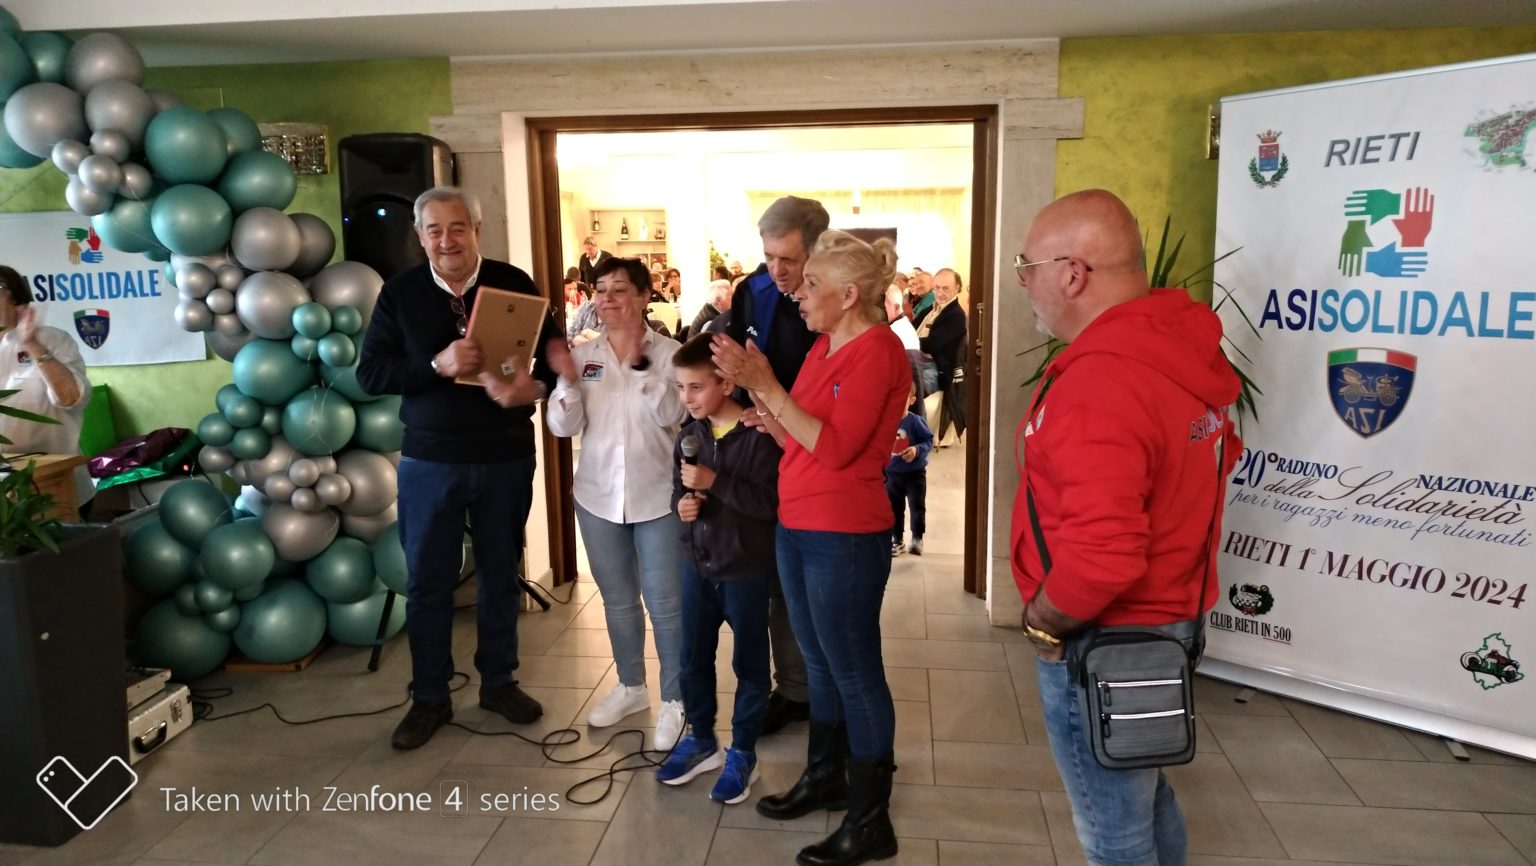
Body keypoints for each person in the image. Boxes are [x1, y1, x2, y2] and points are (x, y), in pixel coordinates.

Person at [1011, 189, 1241, 866]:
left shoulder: (1103, 380)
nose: (1023, 282)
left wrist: (1044, 623)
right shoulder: (1173, 347)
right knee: (1142, 794)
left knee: (1112, 831)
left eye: (1027, 267)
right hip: (1164, 622)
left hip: (1104, 638)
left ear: (1073, 274)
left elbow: (1103, 557)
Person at [713, 230, 910, 866]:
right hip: (797, 520)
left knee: (854, 670)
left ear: (849, 295)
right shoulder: (826, 345)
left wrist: (768, 386)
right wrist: (764, 409)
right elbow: (803, 434)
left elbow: (838, 449)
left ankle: (871, 821)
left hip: (844, 531)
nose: (798, 294)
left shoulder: (878, 351)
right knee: (819, 664)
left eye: (812, 285)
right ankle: (826, 776)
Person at [357, 186, 552, 750]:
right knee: (428, 582)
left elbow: (553, 357)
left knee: (500, 574)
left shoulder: (514, 284)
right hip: (430, 460)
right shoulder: (399, 293)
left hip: (505, 455)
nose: (447, 240)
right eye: (435, 230)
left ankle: (499, 683)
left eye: (458, 227)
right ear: (420, 236)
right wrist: (435, 364)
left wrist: (535, 388)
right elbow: (372, 374)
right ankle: (429, 697)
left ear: (477, 230)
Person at [544, 256, 689, 751]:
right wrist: (566, 381)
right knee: (619, 601)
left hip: (659, 496)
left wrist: (639, 363)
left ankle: (676, 698)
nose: (607, 299)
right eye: (600, 290)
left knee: (666, 605)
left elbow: (672, 413)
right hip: (598, 495)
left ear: (645, 296)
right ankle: (631, 686)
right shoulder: (584, 356)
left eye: (620, 289)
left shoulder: (671, 354)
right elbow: (562, 426)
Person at [654, 333, 780, 804]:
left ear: (726, 384)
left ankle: (743, 751)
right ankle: (702, 738)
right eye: (680, 388)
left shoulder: (759, 437)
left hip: (745, 570)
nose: (686, 398)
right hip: (697, 567)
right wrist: (682, 506)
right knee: (692, 658)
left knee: (749, 663)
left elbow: (771, 504)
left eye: (696, 387)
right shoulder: (689, 437)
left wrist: (716, 483)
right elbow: (678, 490)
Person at [725, 195, 825, 735]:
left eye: (789, 259)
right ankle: (791, 689)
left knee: (814, 588)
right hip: (763, 450)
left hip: (820, 450)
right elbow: (736, 360)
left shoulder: (838, 299)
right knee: (772, 582)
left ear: (817, 252)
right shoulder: (753, 291)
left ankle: (823, 694)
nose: (777, 270)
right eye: (768, 257)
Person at [0, 264, 92, 507]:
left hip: (56, 485)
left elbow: (71, 397)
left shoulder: (52, 339)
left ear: (15, 297)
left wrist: (32, 344)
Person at [918, 268, 967, 442]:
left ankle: (919, 437)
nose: (939, 293)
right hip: (915, 361)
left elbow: (932, 344)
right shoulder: (928, 311)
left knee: (910, 389)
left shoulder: (956, 316)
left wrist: (911, 341)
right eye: (936, 288)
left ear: (957, 288)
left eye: (945, 288)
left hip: (936, 369)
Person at [885, 385, 932, 557]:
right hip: (892, 474)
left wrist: (916, 450)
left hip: (915, 474)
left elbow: (929, 441)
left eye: (902, 400)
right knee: (894, 508)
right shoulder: (885, 422)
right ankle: (897, 539)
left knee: (917, 506)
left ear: (911, 401)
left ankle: (917, 538)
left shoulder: (916, 422)